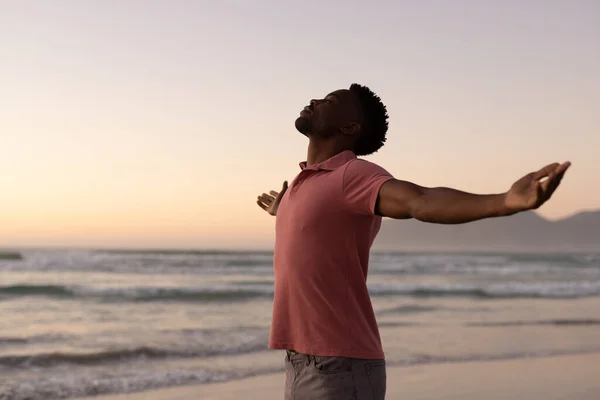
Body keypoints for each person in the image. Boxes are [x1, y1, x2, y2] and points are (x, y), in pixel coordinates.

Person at [256, 83, 570, 400]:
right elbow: (311, 230)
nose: (315, 100)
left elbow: (418, 201)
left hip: (339, 366)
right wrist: (282, 210)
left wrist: (504, 201)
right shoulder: (304, 181)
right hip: (299, 361)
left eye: (329, 101)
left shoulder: (353, 174)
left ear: (350, 126)